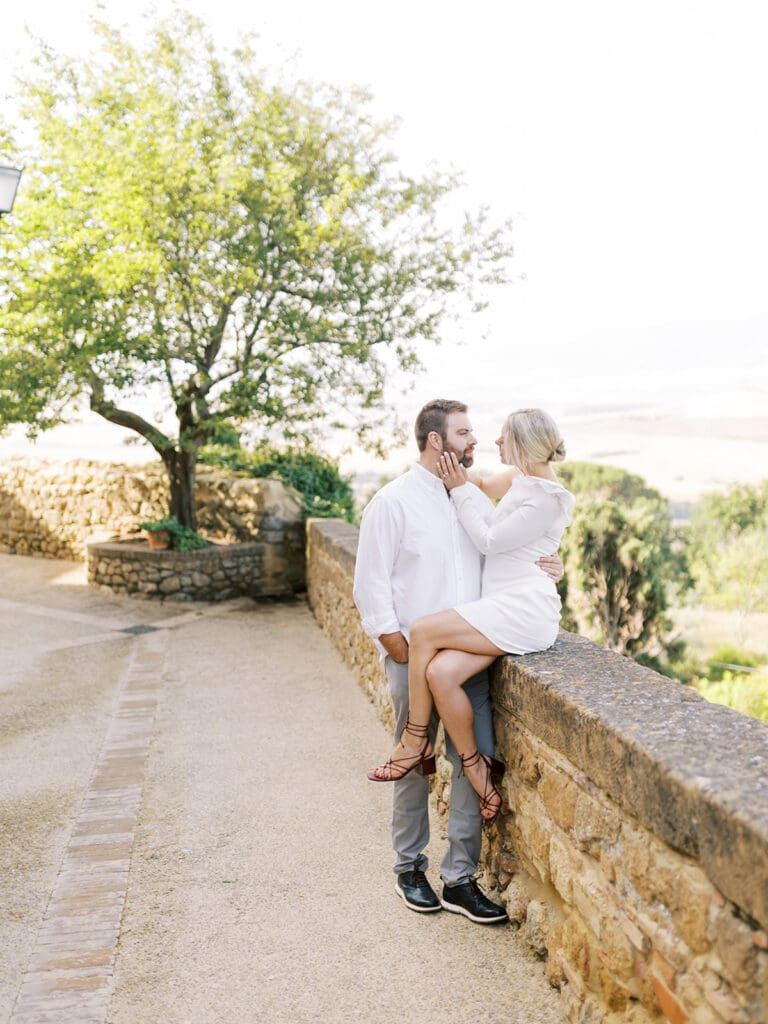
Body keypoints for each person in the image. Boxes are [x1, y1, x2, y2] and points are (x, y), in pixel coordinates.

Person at [353, 400, 563, 924]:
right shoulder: (392, 502)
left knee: (476, 760)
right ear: (436, 441)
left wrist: (550, 561)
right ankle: (409, 867)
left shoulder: (473, 495)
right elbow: (369, 584)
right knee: (415, 762)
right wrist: (399, 650)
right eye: (465, 432)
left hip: (470, 653)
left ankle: (460, 879)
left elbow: (509, 548)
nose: (475, 441)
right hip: (411, 657)